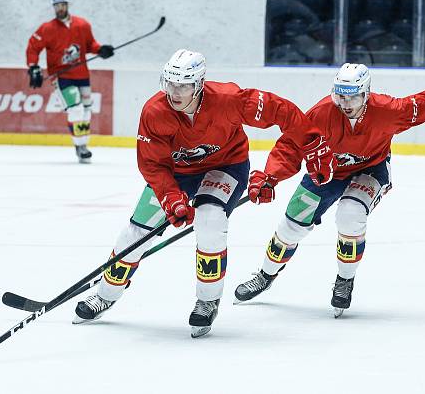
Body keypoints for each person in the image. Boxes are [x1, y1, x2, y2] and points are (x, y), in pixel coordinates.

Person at [72, 49, 335, 337]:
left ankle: (207, 301)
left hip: (226, 166)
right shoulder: (154, 111)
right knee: (134, 233)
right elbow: (151, 163)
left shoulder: (229, 99)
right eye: (170, 84)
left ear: (198, 85)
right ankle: (105, 295)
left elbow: (280, 111)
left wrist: (311, 144)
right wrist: (171, 197)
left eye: (183, 85)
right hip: (177, 173)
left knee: (210, 220)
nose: (175, 92)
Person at [234, 63, 425, 317]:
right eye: (340, 96)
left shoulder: (389, 111)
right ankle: (265, 275)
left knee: (350, 213)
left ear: (366, 94)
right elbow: (292, 145)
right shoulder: (321, 113)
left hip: (371, 170)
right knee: (291, 224)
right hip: (328, 171)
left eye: (353, 96)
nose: (345, 104)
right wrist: (270, 176)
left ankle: (345, 279)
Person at [26, 0, 115, 163]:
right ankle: (80, 146)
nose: (59, 9)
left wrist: (101, 50)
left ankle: (83, 145)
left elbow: (90, 45)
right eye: (56, 6)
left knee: (87, 111)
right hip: (61, 76)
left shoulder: (82, 25)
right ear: (54, 7)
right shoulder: (46, 28)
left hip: (82, 74)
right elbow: (33, 48)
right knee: (76, 109)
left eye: (62, 5)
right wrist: (33, 67)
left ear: (67, 5)